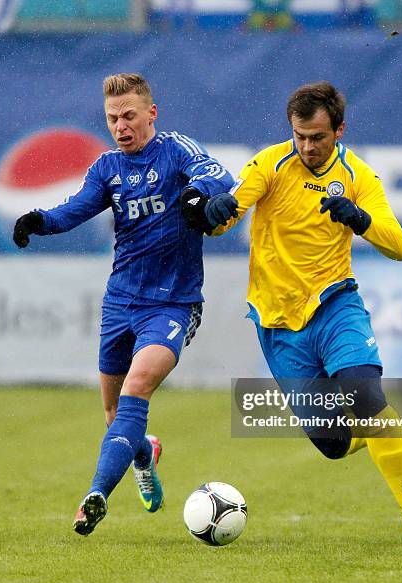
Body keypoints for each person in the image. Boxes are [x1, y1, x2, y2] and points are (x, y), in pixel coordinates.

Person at [184, 81, 402, 548]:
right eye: (300, 136)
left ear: (340, 130)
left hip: (335, 305)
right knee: (333, 445)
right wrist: (215, 212)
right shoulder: (270, 163)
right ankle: (382, 428)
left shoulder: (359, 176)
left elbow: (401, 246)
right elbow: (225, 217)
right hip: (279, 324)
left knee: (364, 396)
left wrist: (358, 218)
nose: (307, 146)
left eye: (318, 137)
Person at [13, 73, 237, 536]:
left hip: (173, 304)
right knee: (117, 415)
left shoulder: (177, 150)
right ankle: (144, 453)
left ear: (151, 113)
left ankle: (95, 494)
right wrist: (37, 220)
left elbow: (218, 177)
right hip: (120, 303)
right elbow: (73, 210)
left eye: (129, 115)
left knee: (138, 386)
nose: (120, 125)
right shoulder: (107, 167)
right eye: (113, 118)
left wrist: (198, 195)